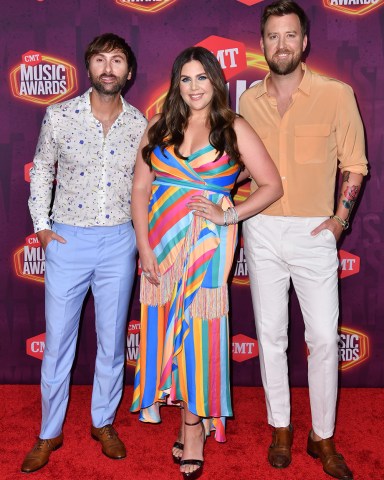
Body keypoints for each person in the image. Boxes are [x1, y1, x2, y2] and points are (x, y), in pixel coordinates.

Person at [130, 46, 283, 479]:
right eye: (185, 79)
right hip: (160, 248)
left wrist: (228, 213)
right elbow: (140, 190)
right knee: (165, 334)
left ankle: (193, 427)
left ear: (215, 81)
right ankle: (181, 415)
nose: (194, 87)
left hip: (208, 252)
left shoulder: (233, 127)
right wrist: (143, 246)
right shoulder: (159, 127)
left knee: (200, 338)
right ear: (176, 84)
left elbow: (271, 185)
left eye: (202, 78)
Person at [239, 2, 368, 479]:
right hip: (263, 229)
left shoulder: (337, 94)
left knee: (322, 340)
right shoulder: (248, 101)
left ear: (305, 41)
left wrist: (338, 222)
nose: (282, 45)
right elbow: (238, 165)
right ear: (262, 44)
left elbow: (355, 163)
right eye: (272, 36)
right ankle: (281, 427)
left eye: (290, 35)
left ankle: (323, 435)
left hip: (317, 231)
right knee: (271, 336)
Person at [22, 33, 147, 474]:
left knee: (112, 343)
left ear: (128, 73)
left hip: (119, 242)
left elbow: (147, 186)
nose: (108, 68)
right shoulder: (59, 116)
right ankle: (49, 431)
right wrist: (41, 227)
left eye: (117, 61)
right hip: (68, 241)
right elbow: (41, 173)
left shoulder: (140, 123)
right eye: (100, 60)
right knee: (57, 343)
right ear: (88, 68)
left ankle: (103, 422)